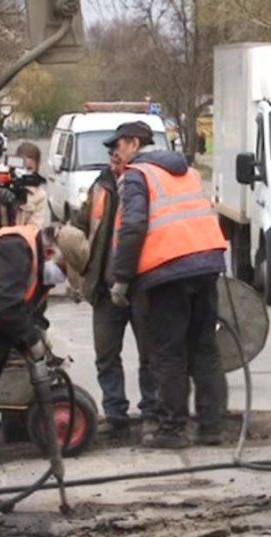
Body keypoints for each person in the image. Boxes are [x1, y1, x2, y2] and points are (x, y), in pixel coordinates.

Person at [106, 121, 228, 449]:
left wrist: (122, 279)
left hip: (168, 271)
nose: (116, 153)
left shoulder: (138, 175)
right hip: (205, 264)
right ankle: (211, 427)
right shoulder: (187, 171)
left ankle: (172, 430)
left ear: (133, 143)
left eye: (117, 145)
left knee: (168, 352)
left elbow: (132, 227)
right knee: (204, 349)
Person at [0, 223, 67, 524]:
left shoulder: (32, 261)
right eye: (63, 269)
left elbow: (26, 309)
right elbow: (5, 305)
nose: (61, 279)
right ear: (50, 251)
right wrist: (30, 339)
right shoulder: (14, 248)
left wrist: (38, 334)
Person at [71, 144, 158, 442]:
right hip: (105, 288)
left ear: (135, 149)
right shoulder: (101, 186)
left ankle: (151, 414)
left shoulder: (146, 183)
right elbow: (83, 226)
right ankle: (116, 416)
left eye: (118, 149)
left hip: (142, 287)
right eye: (110, 151)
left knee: (150, 356)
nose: (113, 155)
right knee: (106, 356)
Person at [14, 142, 50, 228]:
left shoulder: (40, 195)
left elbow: (35, 227)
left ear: (37, 168)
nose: (25, 172)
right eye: (21, 167)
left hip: (22, 238)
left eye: (29, 169)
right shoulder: (5, 185)